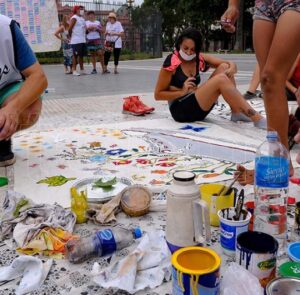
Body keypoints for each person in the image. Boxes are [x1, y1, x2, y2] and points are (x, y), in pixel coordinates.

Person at [222, 0, 300, 178]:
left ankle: (278, 162)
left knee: (271, 75)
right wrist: (233, 5)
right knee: (268, 83)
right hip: (264, 5)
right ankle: (280, 162)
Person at [154, 28, 267, 128]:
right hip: (181, 110)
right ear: (179, 45)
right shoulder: (172, 62)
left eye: (193, 49)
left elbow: (228, 64)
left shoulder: (198, 58)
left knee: (224, 67)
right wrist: (182, 92)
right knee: (221, 79)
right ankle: (256, 118)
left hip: (196, 104)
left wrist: (232, 67)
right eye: (185, 48)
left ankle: (236, 111)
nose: (188, 52)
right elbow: (158, 95)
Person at [0, 14, 47, 166]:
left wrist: (12, 109)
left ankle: (2, 138)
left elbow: (38, 77)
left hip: (5, 87)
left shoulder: (6, 28)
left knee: (29, 109)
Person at [69, 5, 86, 76]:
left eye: (83, 9)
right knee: (75, 56)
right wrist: (71, 37)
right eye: (80, 9)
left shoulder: (82, 19)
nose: (82, 10)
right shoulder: (74, 18)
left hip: (82, 40)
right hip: (76, 40)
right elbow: (70, 29)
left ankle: (82, 70)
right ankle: (74, 70)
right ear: (76, 10)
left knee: (81, 56)